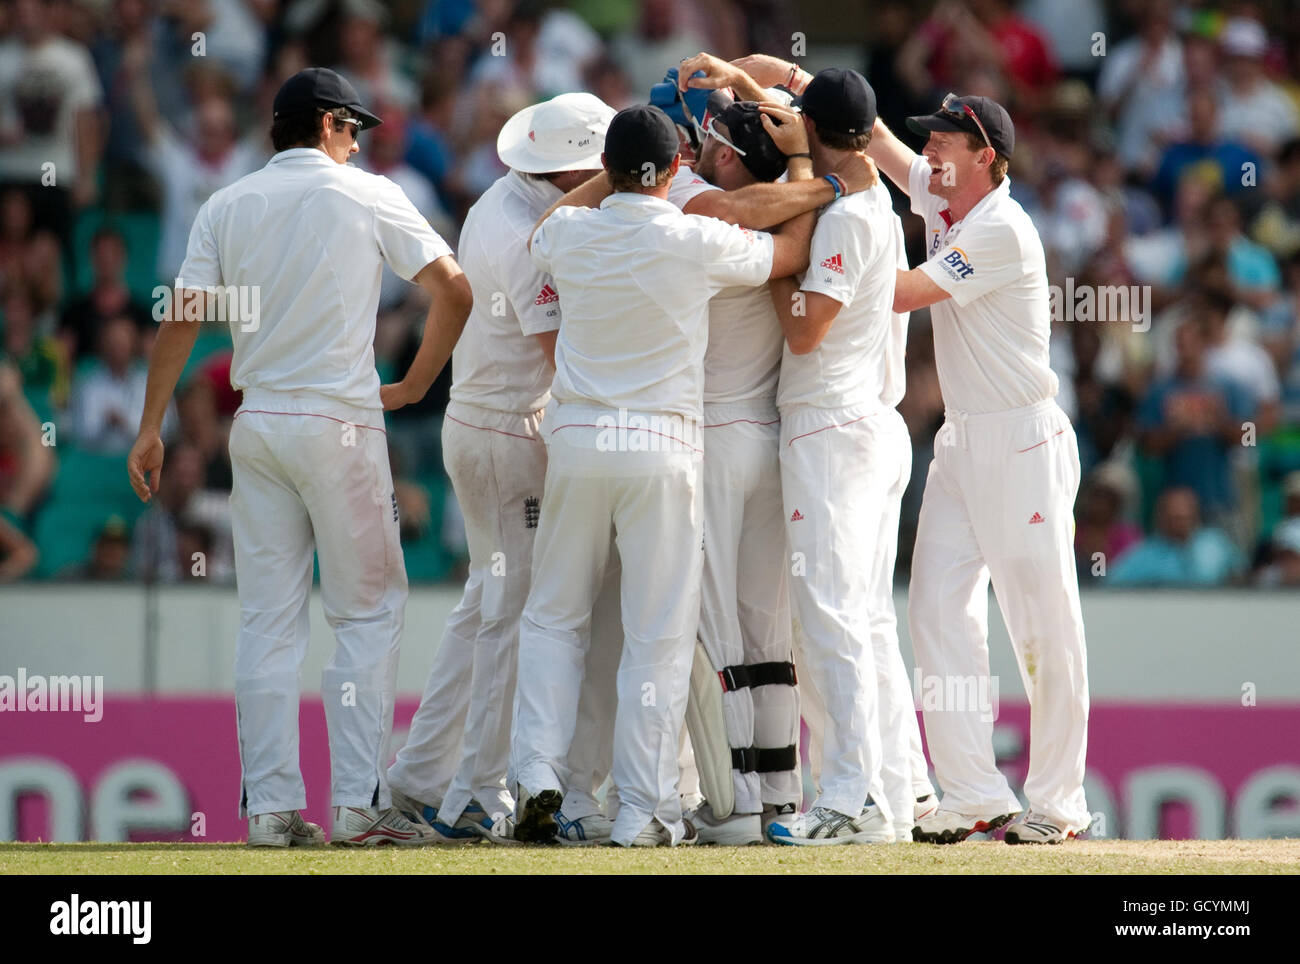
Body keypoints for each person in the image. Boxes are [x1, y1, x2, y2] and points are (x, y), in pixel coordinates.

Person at [127, 68, 472, 848]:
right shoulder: (370, 194)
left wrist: (150, 428)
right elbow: (455, 288)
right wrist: (415, 383)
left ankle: (273, 812)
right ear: (324, 125)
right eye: (352, 127)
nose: (357, 141)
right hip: (340, 422)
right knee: (368, 612)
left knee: (268, 622)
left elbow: (182, 319)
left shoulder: (228, 202)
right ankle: (358, 804)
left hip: (257, 425)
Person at [511, 104, 812, 848]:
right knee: (657, 635)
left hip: (578, 438)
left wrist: (609, 184)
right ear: (675, 170)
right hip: (661, 444)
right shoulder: (694, 238)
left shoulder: (570, 232)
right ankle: (644, 810)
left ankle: (539, 780)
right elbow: (784, 256)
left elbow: (546, 226)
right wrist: (816, 180)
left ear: (606, 169)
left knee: (554, 616)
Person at [385, 93, 624, 846]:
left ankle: (420, 779)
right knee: (511, 617)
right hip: (508, 437)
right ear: (576, 167)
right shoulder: (527, 237)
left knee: (482, 609)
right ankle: (469, 795)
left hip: (483, 424)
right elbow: (564, 361)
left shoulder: (504, 197)